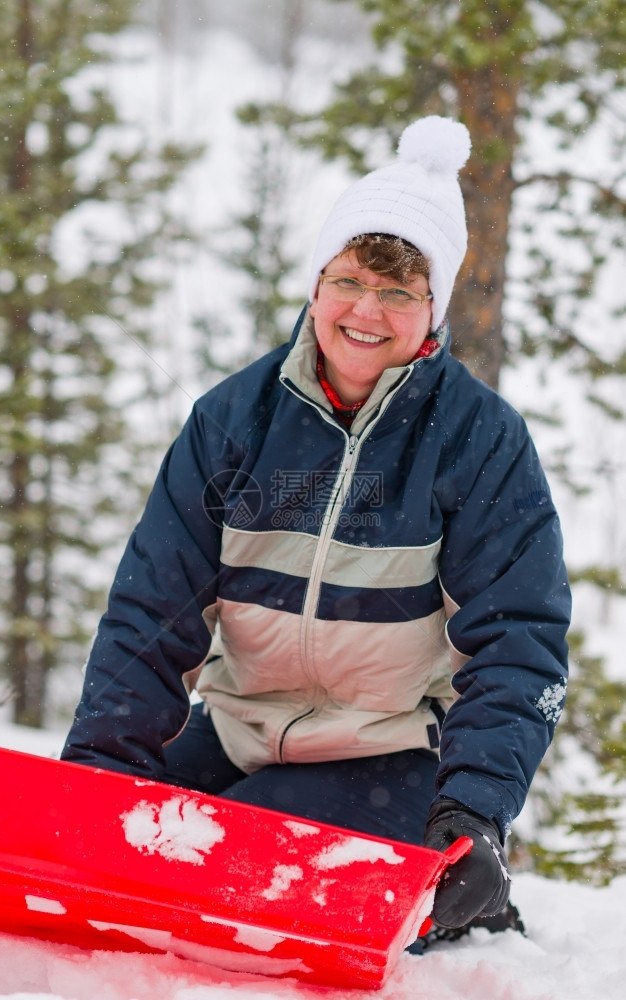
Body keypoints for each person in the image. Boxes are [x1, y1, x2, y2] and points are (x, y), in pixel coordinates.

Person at [62, 116, 571, 934]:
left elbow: (519, 644)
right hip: (238, 731)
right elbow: (152, 613)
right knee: (134, 836)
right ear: (315, 284)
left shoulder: (479, 440)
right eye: (349, 281)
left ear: (433, 309)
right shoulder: (234, 420)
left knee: (230, 860)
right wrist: (99, 773)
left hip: (391, 754)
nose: (366, 311)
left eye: (399, 291)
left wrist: (474, 813)